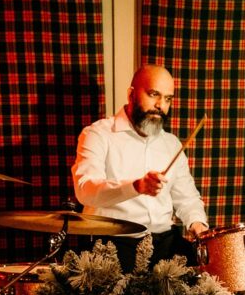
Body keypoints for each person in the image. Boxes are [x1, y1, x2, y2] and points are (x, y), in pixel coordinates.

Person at [72, 64, 209, 272]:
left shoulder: (171, 144)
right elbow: (86, 191)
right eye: (153, 94)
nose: (160, 105)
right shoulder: (98, 134)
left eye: (168, 99)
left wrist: (197, 223)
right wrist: (135, 187)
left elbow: (187, 199)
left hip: (164, 246)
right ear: (131, 94)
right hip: (113, 247)